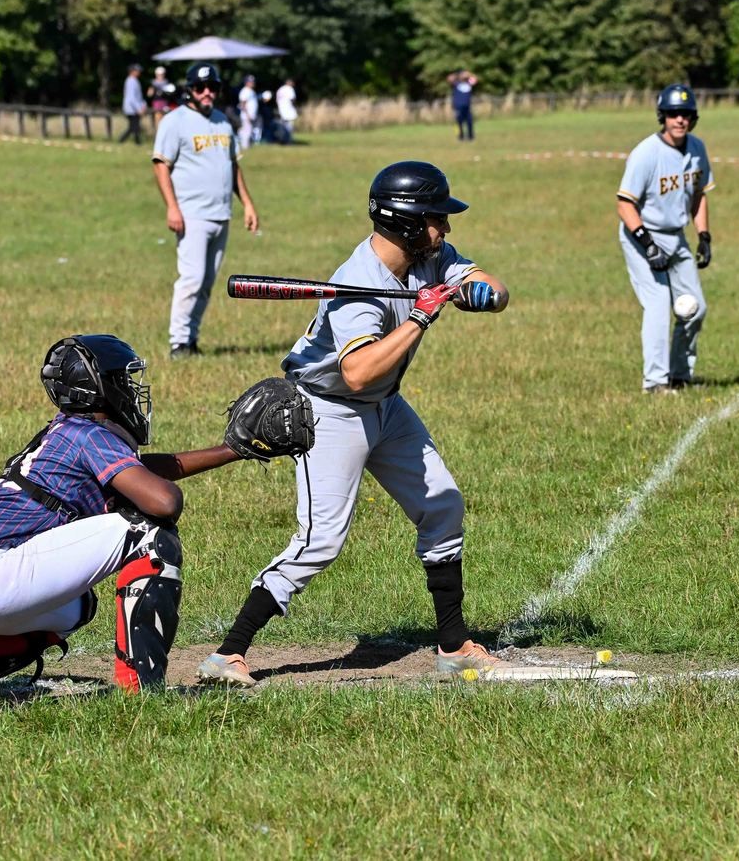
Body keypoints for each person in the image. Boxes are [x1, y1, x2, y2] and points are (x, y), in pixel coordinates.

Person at [198, 161, 511, 686]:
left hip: (386, 408)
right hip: (330, 411)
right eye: (438, 218)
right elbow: (358, 372)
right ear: (408, 223)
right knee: (320, 541)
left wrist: (480, 293)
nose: (447, 228)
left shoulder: (429, 257)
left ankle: (454, 646)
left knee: (443, 504)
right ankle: (227, 653)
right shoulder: (357, 285)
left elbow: (491, 287)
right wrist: (421, 317)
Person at [0, 335, 256, 695]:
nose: (129, 389)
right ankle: (139, 690)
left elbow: (138, 469)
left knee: (74, 607)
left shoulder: (70, 429)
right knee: (149, 531)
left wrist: (231, 451)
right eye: (122, 380)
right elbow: (163, 501)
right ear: (96, 387)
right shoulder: (90, 434)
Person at [152, 61, 259, 358]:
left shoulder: (223, 122)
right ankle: (178, 342)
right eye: (200, 87)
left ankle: (192, 339)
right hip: (191, 214)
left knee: (207, 282)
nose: (207, 92)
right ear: (190, 90)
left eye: (213, 87)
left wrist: (248, 204)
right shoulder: (174, 122)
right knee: (192, 278)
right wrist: (172, 208)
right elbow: (161, 165)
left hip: (221, 213)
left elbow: (233, 166)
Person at [617, 85, 713, 394]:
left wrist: (704, 235)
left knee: (695, 308)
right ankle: (655, 383)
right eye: (673, 114)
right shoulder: (646, 153)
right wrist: (648, 245)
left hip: (676, 236)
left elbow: (698, 196)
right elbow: (625, 204)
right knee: (658, 305)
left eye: (685, 114)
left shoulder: (697, 149)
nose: (679, 120)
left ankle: (680, 375)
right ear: (663, 116)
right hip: (641, 235)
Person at [118, 63, 147, 145]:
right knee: (134, 126)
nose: (139, 72)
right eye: (137, 71)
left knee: (133, 127)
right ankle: (136, 142)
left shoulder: (134, 81)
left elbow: (138, 96)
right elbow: (131, 97)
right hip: (131, 108)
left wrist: (143, 105)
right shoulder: (131, 81)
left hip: (133, 108)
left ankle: (123, 141)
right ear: (132, 71)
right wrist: (138, 109)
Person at [448, 69, 478, 141]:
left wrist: (469, 74)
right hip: (458, 106)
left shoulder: (469, 83)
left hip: (467, 106)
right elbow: (449, 78)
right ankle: (461, 136)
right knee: (459, 122)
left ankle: (470, 136)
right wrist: (458, 74)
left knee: (469, 121)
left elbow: (475, 79)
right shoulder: (457, 83)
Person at [237, 74, 260, 150]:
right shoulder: (245, 91)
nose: (252, 83)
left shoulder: (251, 91)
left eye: (253, 81)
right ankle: (244, 147)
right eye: (250, 81)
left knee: (249, 131)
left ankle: (247, 146)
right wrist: (247, 115)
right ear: (246, 82)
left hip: (251, 115)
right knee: (246, 131)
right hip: (246, 115)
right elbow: (243, 104)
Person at [275, 77, 298, 143]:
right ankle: (288, 141)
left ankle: (281, 139)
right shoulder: (290, 89)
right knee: (289, 127)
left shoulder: (280, 89)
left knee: (282, 126)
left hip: (281, 110)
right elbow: (292, 99)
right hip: (288, 110)